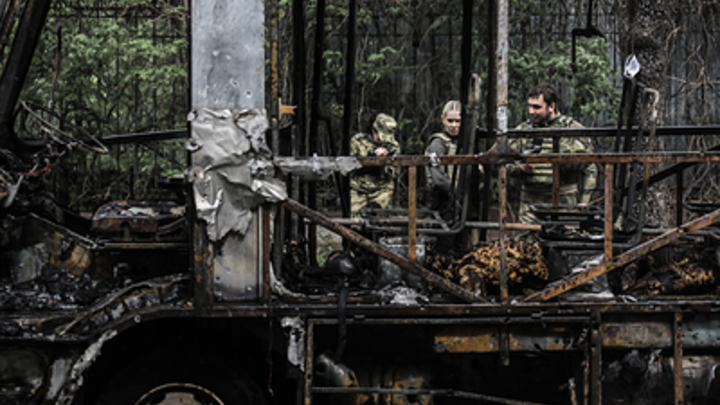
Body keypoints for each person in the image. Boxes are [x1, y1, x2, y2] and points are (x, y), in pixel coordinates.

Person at [509, 83, 597, 223]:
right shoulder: (523, 130)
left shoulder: (572, 129)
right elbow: (502, 162)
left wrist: (584, 202)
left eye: (537, 107)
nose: (531, 111)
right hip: (530, 205)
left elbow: (590, 166)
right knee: (527, 242)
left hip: (565, 203)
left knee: (563, 242)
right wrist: (519, 168)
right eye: (530, 106)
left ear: (551, 106)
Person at [349, 113, 400, 218]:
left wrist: (385, 161)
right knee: (355, 225)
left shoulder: (393, 146)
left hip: (382, 188)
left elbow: (394, 173)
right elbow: (350, 168)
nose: (383, 141)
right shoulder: (358, 141)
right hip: (359, 188)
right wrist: (371, 158)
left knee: (380, 223)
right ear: (373, 130)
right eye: (381, 136)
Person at [425, 100, 462, 219]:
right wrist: (456, 192)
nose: (454, 125)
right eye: (450, 121)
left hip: (461, 200)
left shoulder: (465, 142)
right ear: (443, 119)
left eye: (458, 121)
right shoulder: (438, 143)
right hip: (444, 199)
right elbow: (438, 177)